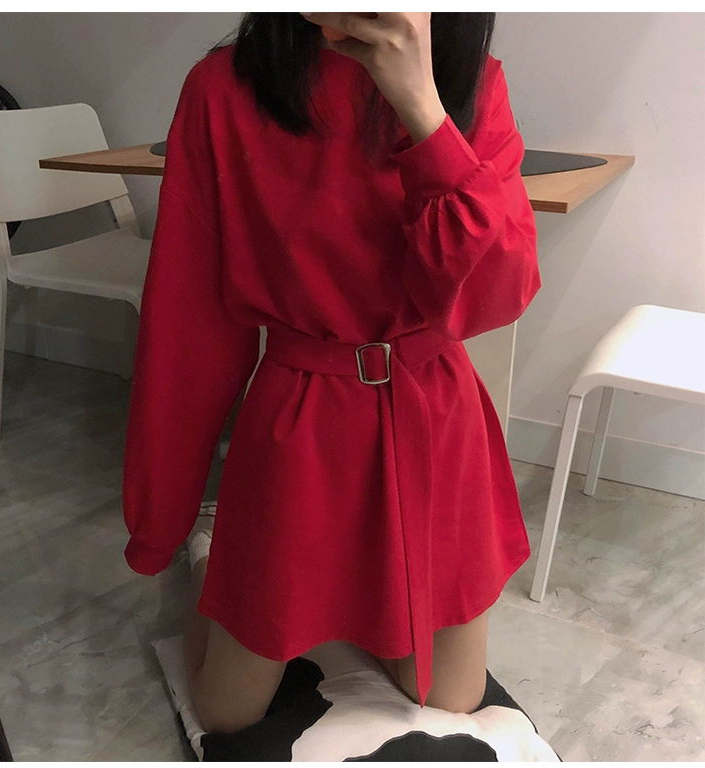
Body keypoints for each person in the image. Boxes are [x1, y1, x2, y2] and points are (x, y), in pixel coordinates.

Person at [121, 12, 541, 736]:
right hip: (301, 422)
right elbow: (189, 324)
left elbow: (495, 295)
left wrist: (421, 107)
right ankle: (212, 561)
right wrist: (162, 517)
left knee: (451, 699)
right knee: (227, 711)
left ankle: (350, 593)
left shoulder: (471, 84)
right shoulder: (224, 90)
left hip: (432, 419)